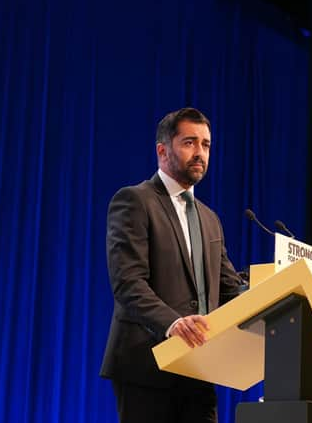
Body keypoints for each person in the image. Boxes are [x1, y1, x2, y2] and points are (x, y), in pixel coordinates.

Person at [100, 107, 245, 423]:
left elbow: (229, 287)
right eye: (189, 143)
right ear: (162, 150)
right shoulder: (135, 201)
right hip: (147, 366)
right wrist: (173, 323)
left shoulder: (209, 219)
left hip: (199, 369)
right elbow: (128, 282)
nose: (200, 153)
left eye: (206, 145)